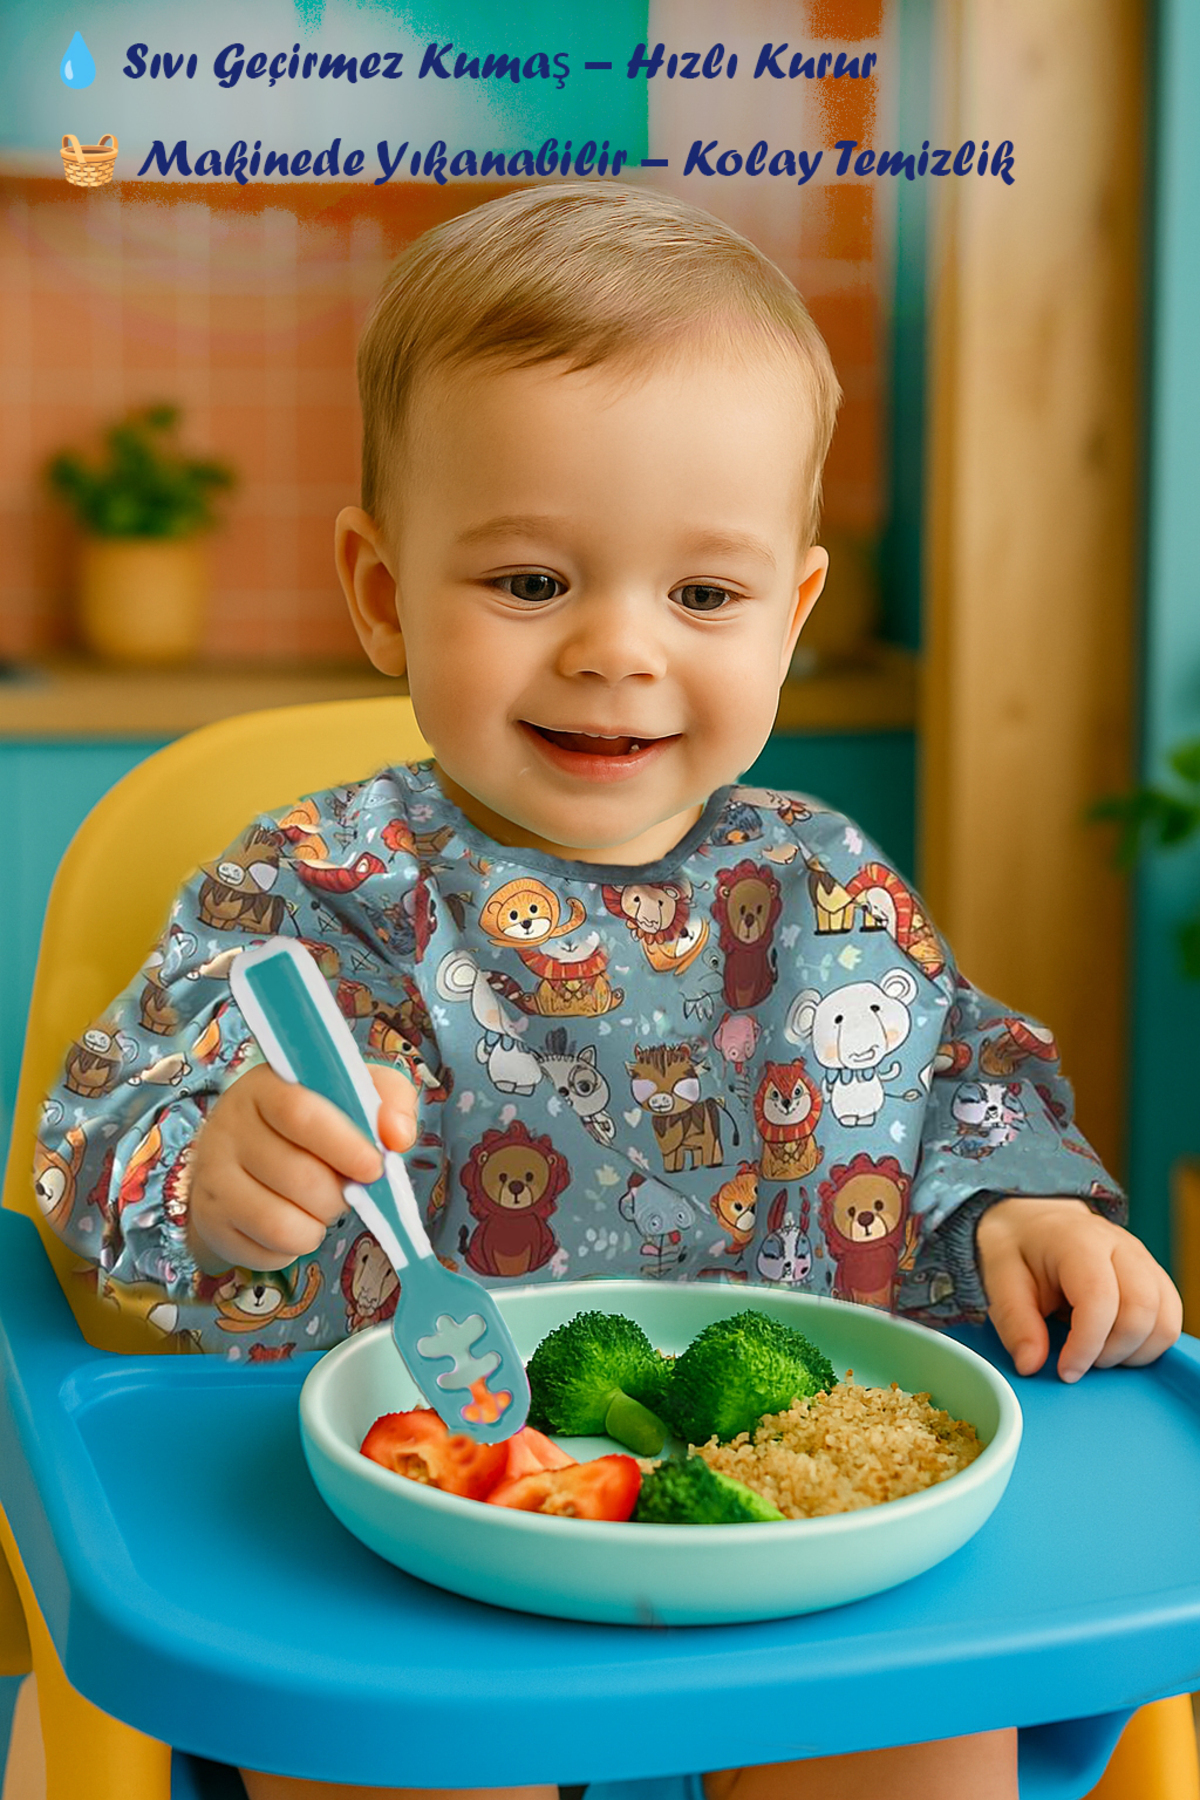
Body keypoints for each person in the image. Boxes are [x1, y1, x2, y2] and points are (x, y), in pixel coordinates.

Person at [36, 184, 1180, 1800]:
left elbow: (958, 1091)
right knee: (388, 1751)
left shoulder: (825, 882)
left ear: (787, 615)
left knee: (923, 1741)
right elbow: (106, 1134)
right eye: (527, 583)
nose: (618, 650)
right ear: (381, 593)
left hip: (796, 1531)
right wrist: (219, 1169)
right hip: (415, 1520)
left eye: (703, 597)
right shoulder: (312, 889)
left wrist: (1020, 1214)